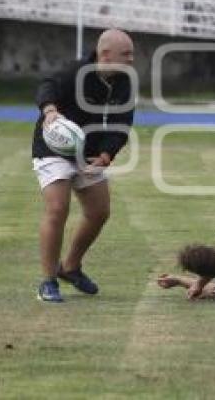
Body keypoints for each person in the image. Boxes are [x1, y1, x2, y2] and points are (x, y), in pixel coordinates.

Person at [32, 29, 135, 303]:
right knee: (57, 208)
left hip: (89, 153)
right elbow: (47, 85)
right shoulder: (76, 72)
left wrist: (106, 155)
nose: (132, 59)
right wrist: (50, 110)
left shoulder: (124, 83)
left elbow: (122, 124)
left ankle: (71, 267)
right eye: (126, 54)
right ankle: (48, 281)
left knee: (99, 211)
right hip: (53, 149)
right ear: (105, 54)